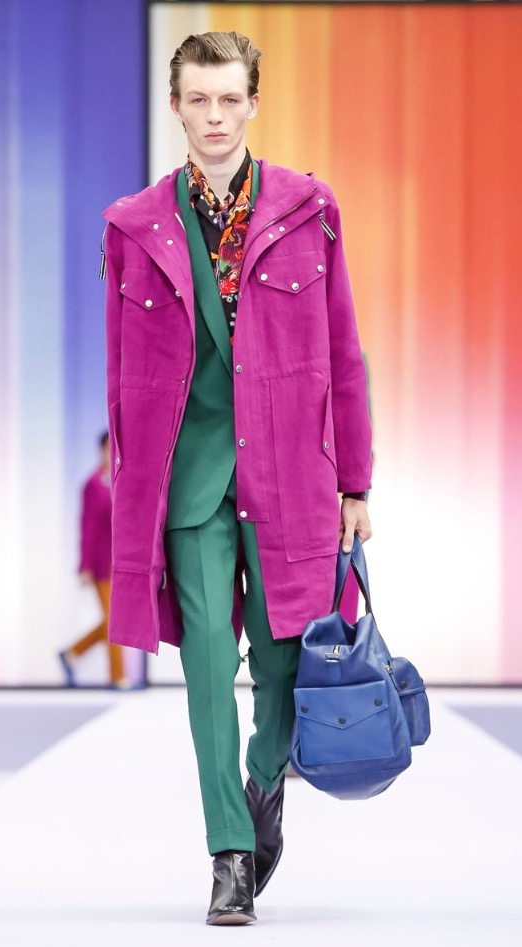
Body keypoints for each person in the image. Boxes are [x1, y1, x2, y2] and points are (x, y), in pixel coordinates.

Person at [101, 31, 372, 925]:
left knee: (285, 658)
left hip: (292, 472)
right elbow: (123, 377)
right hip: (188, 482)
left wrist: (356, 482)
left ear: (253, 102)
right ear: (174, 106)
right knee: (208, 665)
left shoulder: (308, 209)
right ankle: (228, 851)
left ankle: (263, 788)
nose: (214, 117)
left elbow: (343, 351)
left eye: (228, 99)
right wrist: (128, 488)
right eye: (198, 100)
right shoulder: (133, 226)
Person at [58, 432, 127, 688]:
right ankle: (117, 677)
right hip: (101, 563)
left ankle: (72, 652)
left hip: (121, 562)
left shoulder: (122, 479)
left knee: (116, 619)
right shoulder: (93, 484)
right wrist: (85, 565)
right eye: (108, 447)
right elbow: (87, 526)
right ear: (102, 450)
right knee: (115, 620)